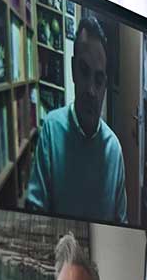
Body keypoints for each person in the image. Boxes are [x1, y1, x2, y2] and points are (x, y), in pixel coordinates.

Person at [25, 14, 127, 223]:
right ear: (72, 70)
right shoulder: (51, 131)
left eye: (99, 79)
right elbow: (34, 213)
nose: (91, 90)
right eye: (84, 71)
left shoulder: (114, 150)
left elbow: (122, 225)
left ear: (106, 83)